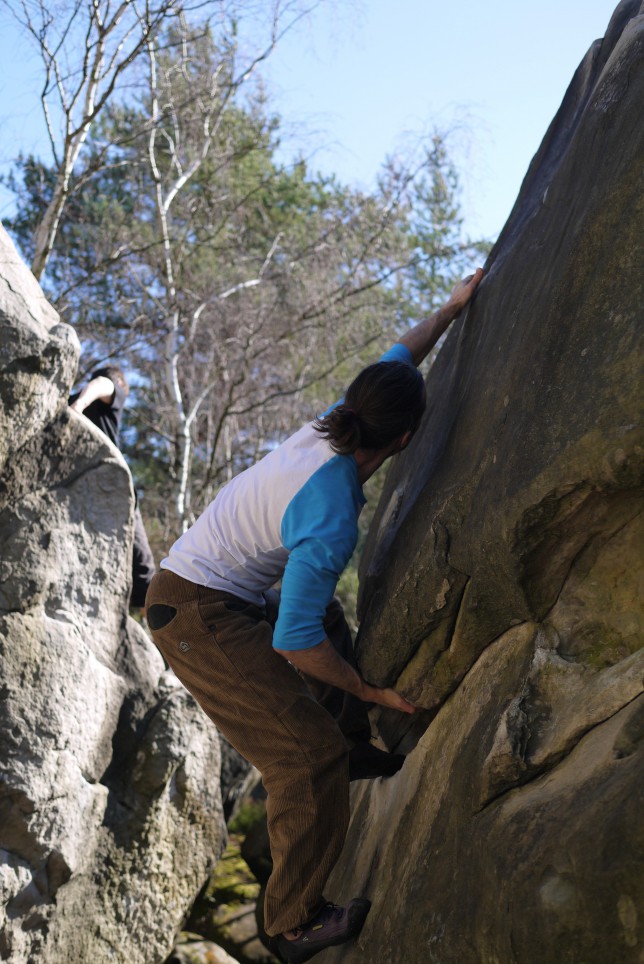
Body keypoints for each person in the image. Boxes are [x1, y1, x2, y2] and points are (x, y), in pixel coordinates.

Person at [145, 269, 484, 963]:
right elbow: (294, 643)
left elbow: (400, 352)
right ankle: (292, 923)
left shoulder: (337, 419)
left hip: (216, 589)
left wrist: (450, 311)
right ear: (406, 439)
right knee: (303, 757)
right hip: (193, 614)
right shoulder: (330, 511)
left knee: (321, 611)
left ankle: (353, 743)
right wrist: (368, 689)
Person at [69, 365, 156, 611]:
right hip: (115, 491)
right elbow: (103, 384)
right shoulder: (105, 392)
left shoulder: (72, 401)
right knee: (145, 575)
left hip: (86, 495)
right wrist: (79, 406)